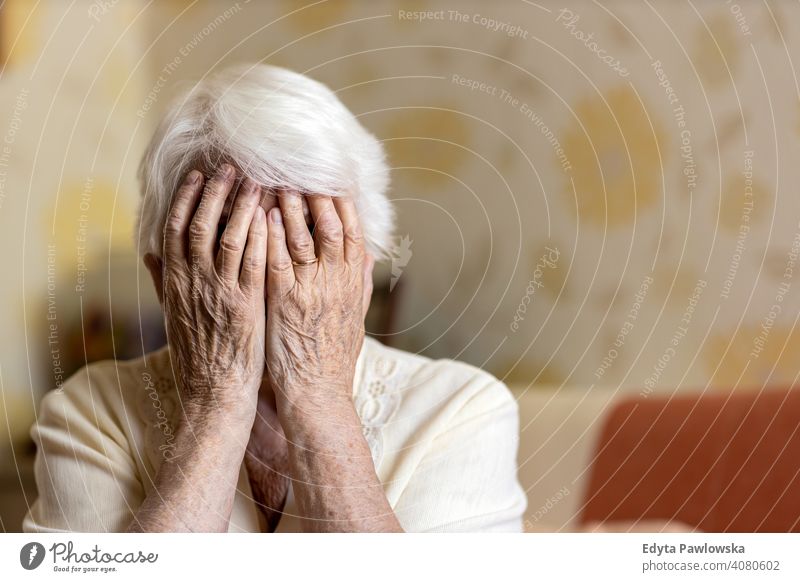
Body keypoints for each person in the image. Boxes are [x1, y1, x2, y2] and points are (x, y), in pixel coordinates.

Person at [23, 64, 527, 532]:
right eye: (227, 241)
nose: (270, 272)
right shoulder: (88, 413)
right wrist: (217, 403)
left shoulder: (464, 411)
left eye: (302, 235)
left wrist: (317, 394)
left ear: (363, 266)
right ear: (165, 277)